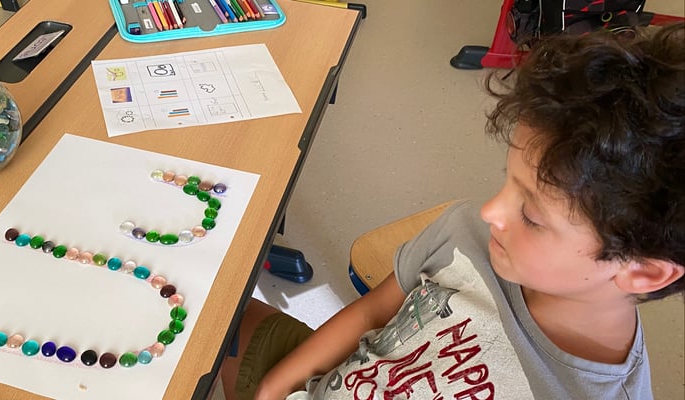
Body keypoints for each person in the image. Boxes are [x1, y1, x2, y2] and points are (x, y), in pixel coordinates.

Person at [219, 22, 685, 400]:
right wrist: (273, 388)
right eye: (507, 181)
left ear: (642, 272)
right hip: (324, 380)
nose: (490, 210)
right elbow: (371, 313)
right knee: (218, 320)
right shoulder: (470, 235)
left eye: (531, 215)